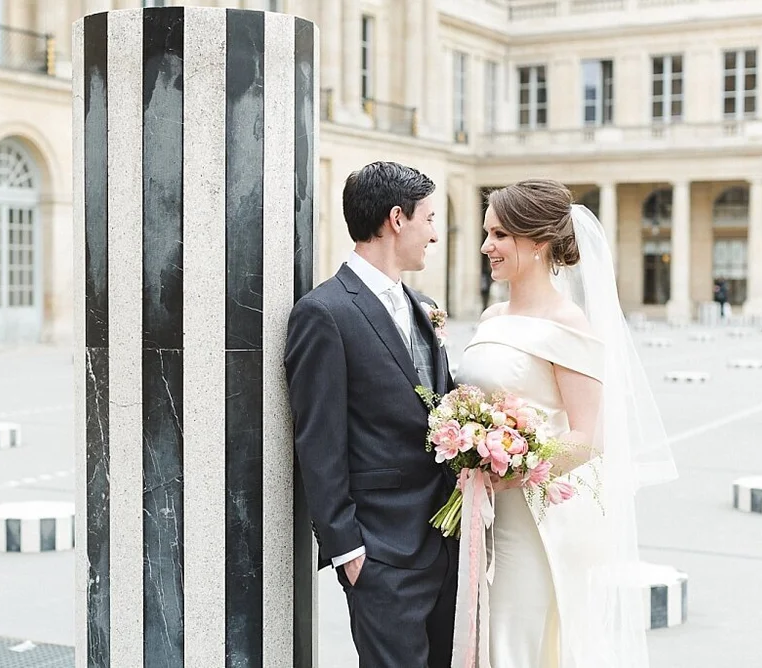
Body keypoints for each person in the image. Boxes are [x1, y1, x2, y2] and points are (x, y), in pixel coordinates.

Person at [455, 179, 677, 666]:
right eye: (487, 233)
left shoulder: (569, 323)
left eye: (500, 235)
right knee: (484, 637)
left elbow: (588, 437)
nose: (486, 246)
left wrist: (515, 466)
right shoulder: (492, 316)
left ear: (538, 242)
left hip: (534, 520)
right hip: (480, 511)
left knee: (516, 641)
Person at [284, 161, 459, 667]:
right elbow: (318, 441)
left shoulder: (423, 305)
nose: (435, 234)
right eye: (430, 219)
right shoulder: (324, 312)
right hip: (381, 554)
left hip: (444, 544)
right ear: (397, 219)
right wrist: (350, 553)